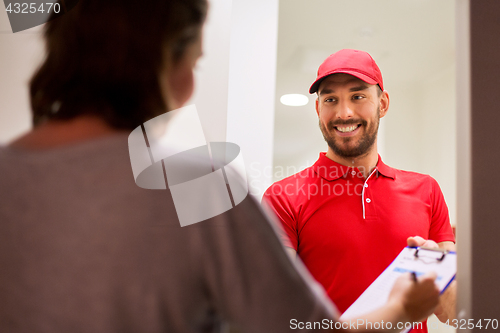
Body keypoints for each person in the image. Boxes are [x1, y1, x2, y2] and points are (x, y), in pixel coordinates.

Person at [0, 2, 440, 331]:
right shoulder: (201, 186)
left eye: (357, 94)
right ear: (166, 63)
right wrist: (401, 309)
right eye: (194, 62)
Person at [262, 49, 457, 333]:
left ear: (383, 103)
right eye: (330, 99)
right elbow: (279, 318)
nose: (344, 113)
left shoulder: (426, 190)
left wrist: (439, 275)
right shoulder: (283, 197)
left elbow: (455, 315)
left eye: (358, 96)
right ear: (318, 109)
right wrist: (395, 315)